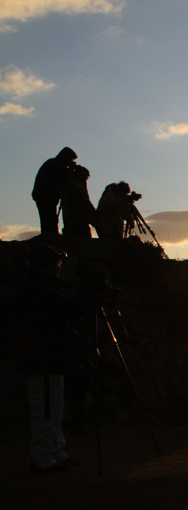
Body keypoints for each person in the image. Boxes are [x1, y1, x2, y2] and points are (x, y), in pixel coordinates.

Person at [15, 243, 80, 473]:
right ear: (45, 267)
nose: (59, 267)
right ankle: (43, 457)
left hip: (47, 359)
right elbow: (68, 307)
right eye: (56, 263)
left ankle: (54, 452)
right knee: (44, 409)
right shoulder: (37, 289)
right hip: (41, 359)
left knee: (52, 408)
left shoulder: (39, 287)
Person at [32, 147, 78, 235]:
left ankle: (49, 235)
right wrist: (71, 170)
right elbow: (66, 179)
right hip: (46, 196)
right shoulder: (55, 164)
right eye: (70, 159)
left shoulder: (53, 163)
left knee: (49, 218)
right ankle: (50, 236)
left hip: (45, 195)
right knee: (49, 218)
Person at [61, 164, 99, 239]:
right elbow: (84, 199)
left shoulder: (71, 184)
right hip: (78, 216)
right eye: (86, 176)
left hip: (71, 216)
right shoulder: (78, 184)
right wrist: (92, 211)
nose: (86, 178)